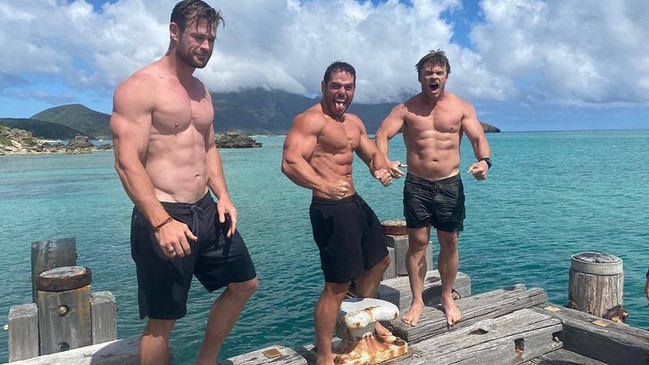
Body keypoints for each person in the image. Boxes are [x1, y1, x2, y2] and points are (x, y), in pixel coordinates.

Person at [109, 1, 258, 364]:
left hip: (206, 209)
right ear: (174, 31)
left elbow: (208, 147)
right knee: (164, 319)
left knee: (244, 284)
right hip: (165, 212)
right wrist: (159, 222)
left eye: (211, 39)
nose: (205, 46)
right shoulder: (139, 88)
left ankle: (205, 360)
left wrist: (223, 195)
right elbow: (127, 163)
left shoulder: (202, 91)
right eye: (198, 36)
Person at [281, 61, 395, 365]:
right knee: (335, 285)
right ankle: (325, 355)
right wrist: (323, 185)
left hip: (353, 202)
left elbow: (372, 158)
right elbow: (291, 162)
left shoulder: (354, 123)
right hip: (329, 208)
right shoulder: (310, 120)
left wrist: (383, 170)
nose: (341, 92)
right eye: (336, 86)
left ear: (354, 90)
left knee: (381, 259)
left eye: (348, 87)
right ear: (324, 87)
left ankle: (362, 313)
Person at [374, 49, 491, 328]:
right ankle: (417, 300)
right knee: (418, 244)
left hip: (450, 184)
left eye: (439, 72)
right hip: (417, 185)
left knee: (449, 241)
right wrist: (384, 160)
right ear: (420, 77)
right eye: (428, 73)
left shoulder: (461, 107)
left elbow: (478, 139)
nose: (434, 76)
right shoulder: (405, 109)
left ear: (446, 76)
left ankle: (447, 297)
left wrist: (484, 162)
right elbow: (381, 135)